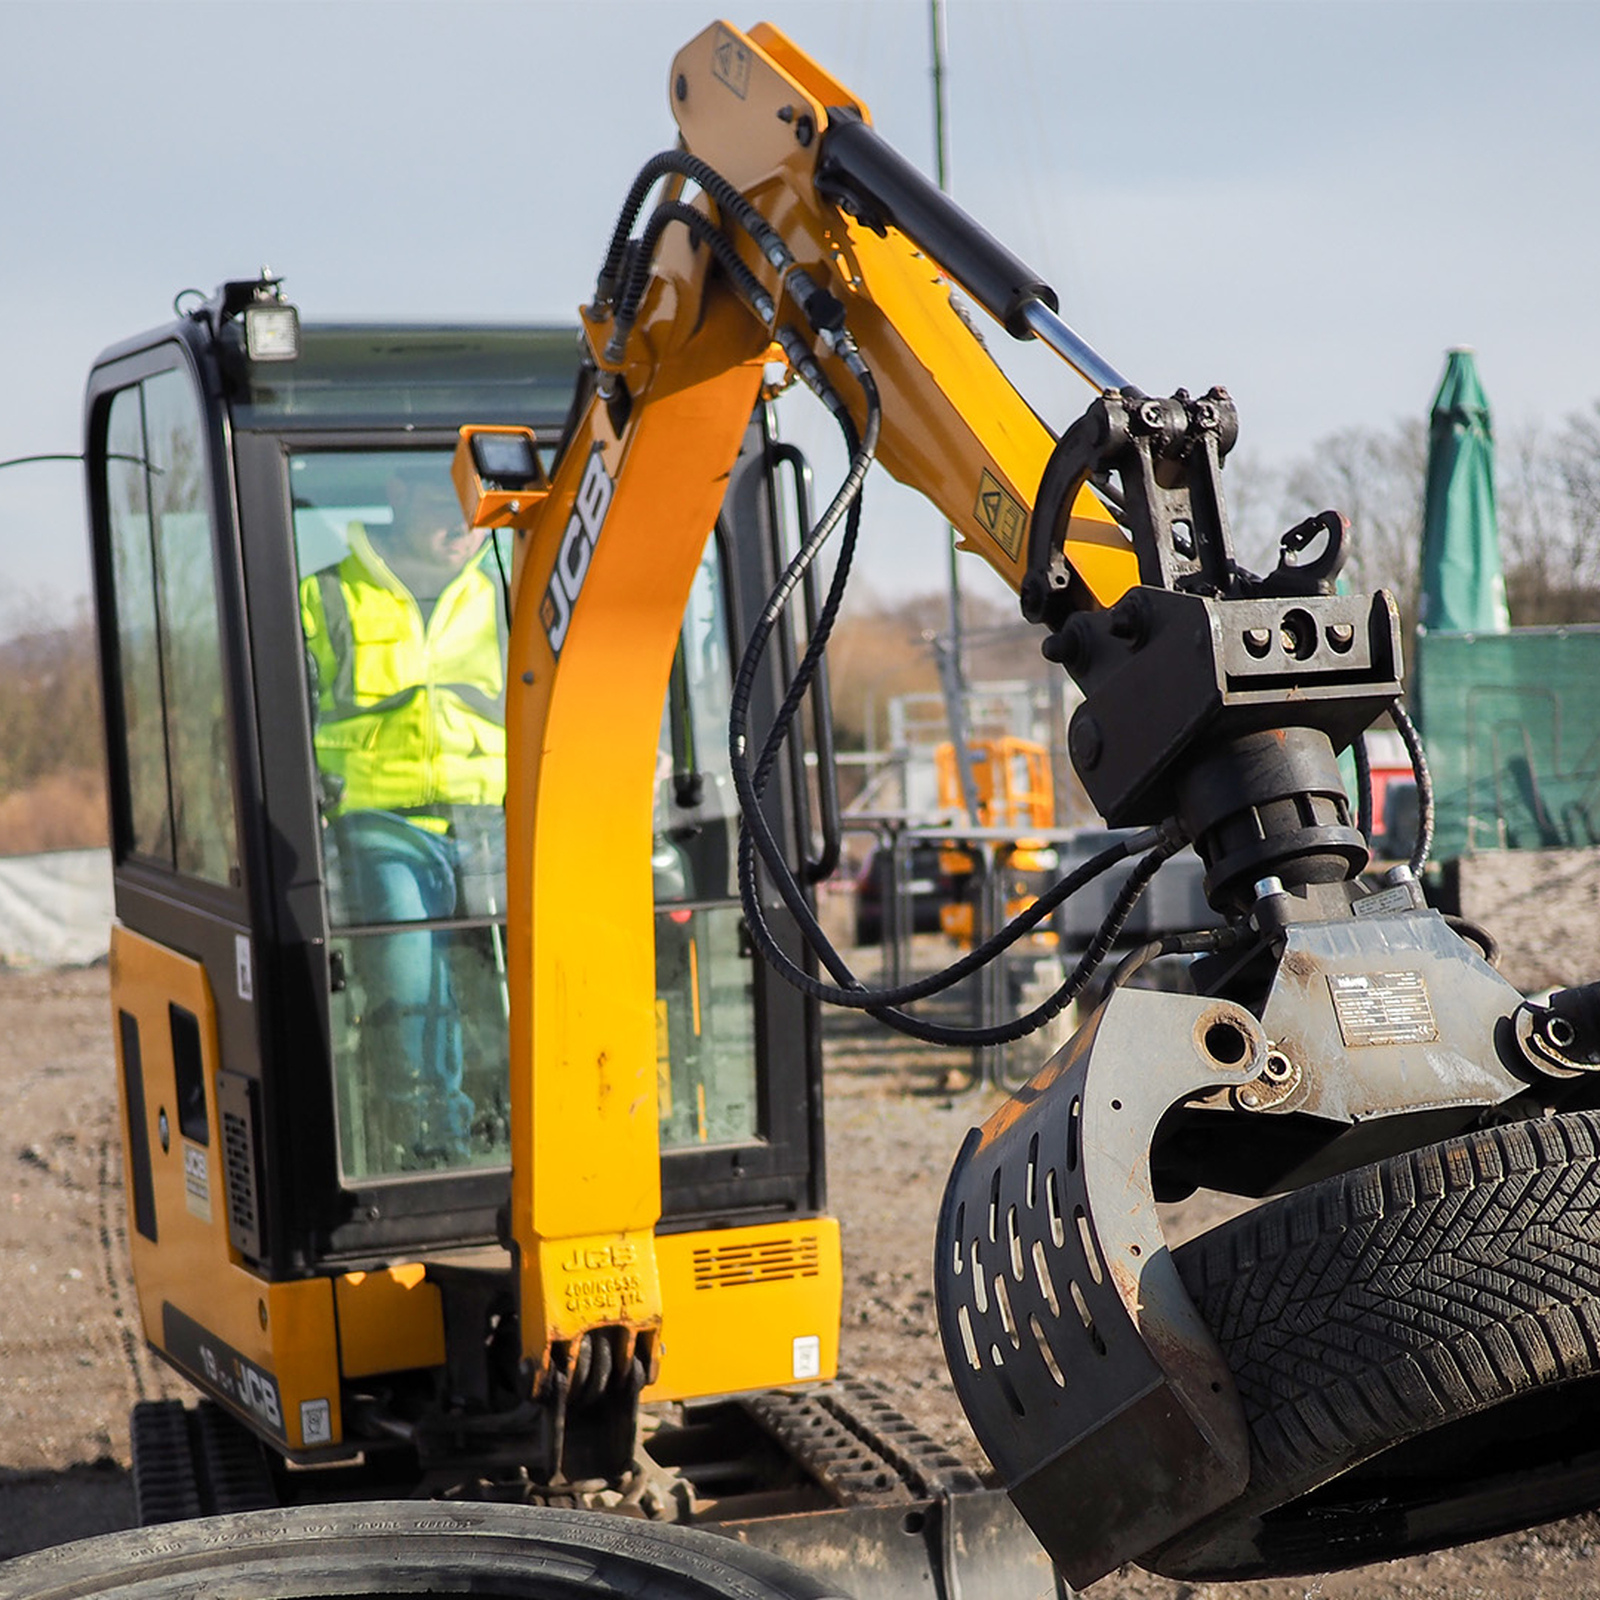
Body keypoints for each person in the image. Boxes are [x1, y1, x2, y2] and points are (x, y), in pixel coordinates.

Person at [300, 461, 507, 1170]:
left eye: (473, 504)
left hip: (494, 820)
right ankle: (423, 1142)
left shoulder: (508, 592)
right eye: (446, 502)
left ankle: (526, 1124)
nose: (464, 521)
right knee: (412, 975)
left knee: (534, 976)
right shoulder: (324, 596)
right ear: (396, 493)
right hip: (380, 821)